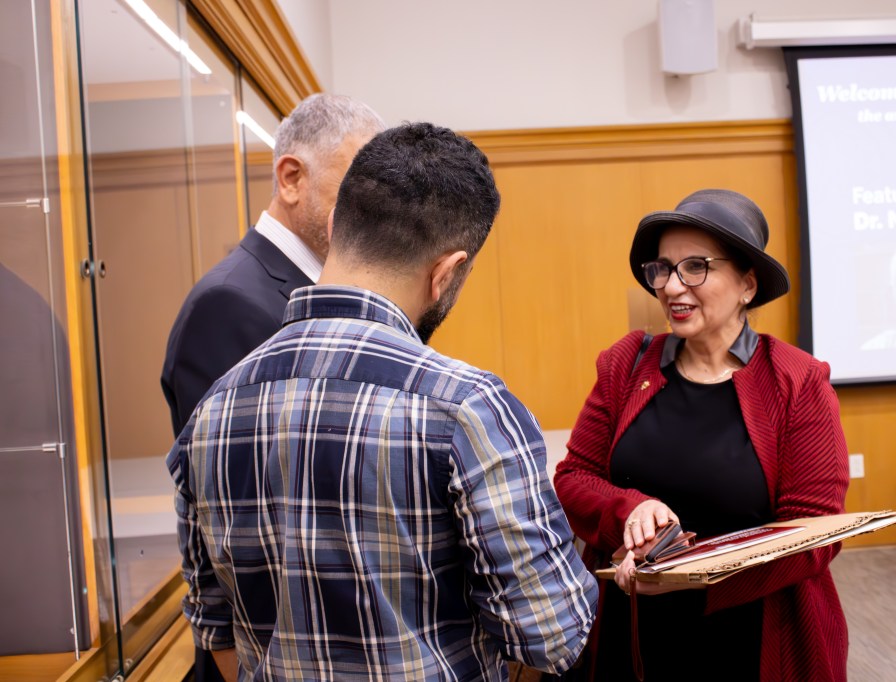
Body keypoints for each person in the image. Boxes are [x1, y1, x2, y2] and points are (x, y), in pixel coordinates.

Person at [167, 122, 598, 681]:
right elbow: (554, 635)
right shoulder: (467, 408)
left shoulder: (213, 411)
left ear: (333, 226)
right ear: (446, 273)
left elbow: (217, 635)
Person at [554, 189, 850, 681]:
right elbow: (573, 478)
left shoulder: (797, 381)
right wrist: (630, 509)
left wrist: (691, 575)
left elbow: (815, 533)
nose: (672, 286)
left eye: (696, 267)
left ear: (747, 285)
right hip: (636, 631)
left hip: (751, 636)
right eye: (663, 269)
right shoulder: (626, 365)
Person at [161, 93, 386, 437]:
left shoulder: (327, 286)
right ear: (291, 179)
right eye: (358, 191)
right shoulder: (226, 305)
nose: (373, 213)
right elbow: (231, 461)